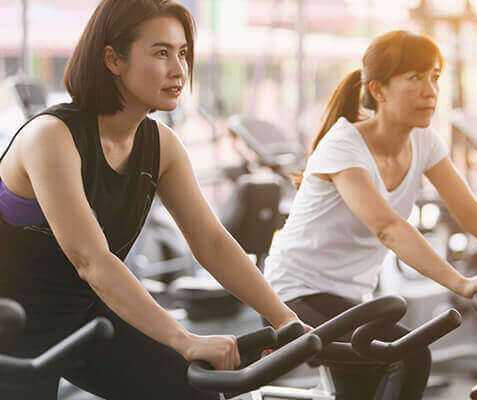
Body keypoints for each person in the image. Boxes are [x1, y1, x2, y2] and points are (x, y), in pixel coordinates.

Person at [0, 1, 302, 398]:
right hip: (9, 322)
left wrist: (286, 320)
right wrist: (184, 339)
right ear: (113, 59)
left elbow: (210, 241)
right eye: (161, 52)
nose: (179, 69)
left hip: (83, 314)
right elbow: (92, 260)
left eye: (182, 53)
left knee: (193, 392)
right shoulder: (51, 136)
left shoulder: (162, 146)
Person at [263, 30, 477, 400]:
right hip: (292, 296)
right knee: (409, 354)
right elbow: (387, 228)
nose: (430, 91)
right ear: (379, 91)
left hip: (348, 300)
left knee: (374, 381)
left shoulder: (423, 141)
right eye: (414, 78)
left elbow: (469, 211)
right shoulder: (343, 145)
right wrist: (460, 282)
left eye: (434, 77)